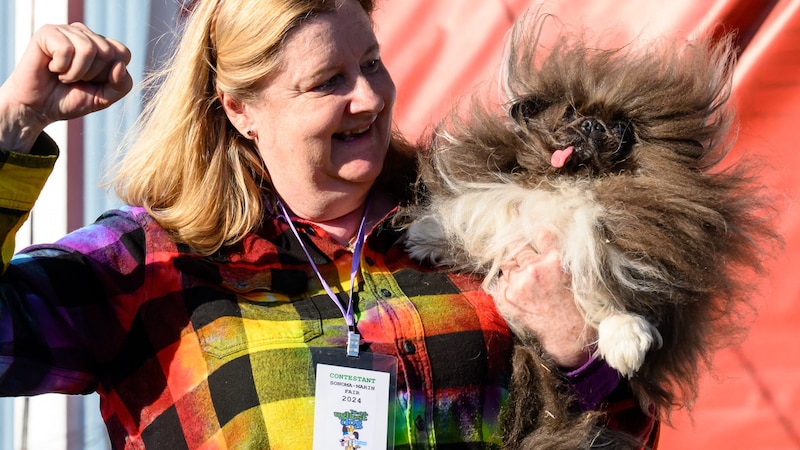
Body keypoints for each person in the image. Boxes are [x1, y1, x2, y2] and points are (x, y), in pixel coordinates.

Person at [0, 0, 657, 448]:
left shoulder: (481, 230)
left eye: (371, 62)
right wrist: (11, 126)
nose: (369, 97)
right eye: (326, 82)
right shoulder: (151, 264)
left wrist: (581, 353)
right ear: (240, 107)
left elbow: (625, 435)